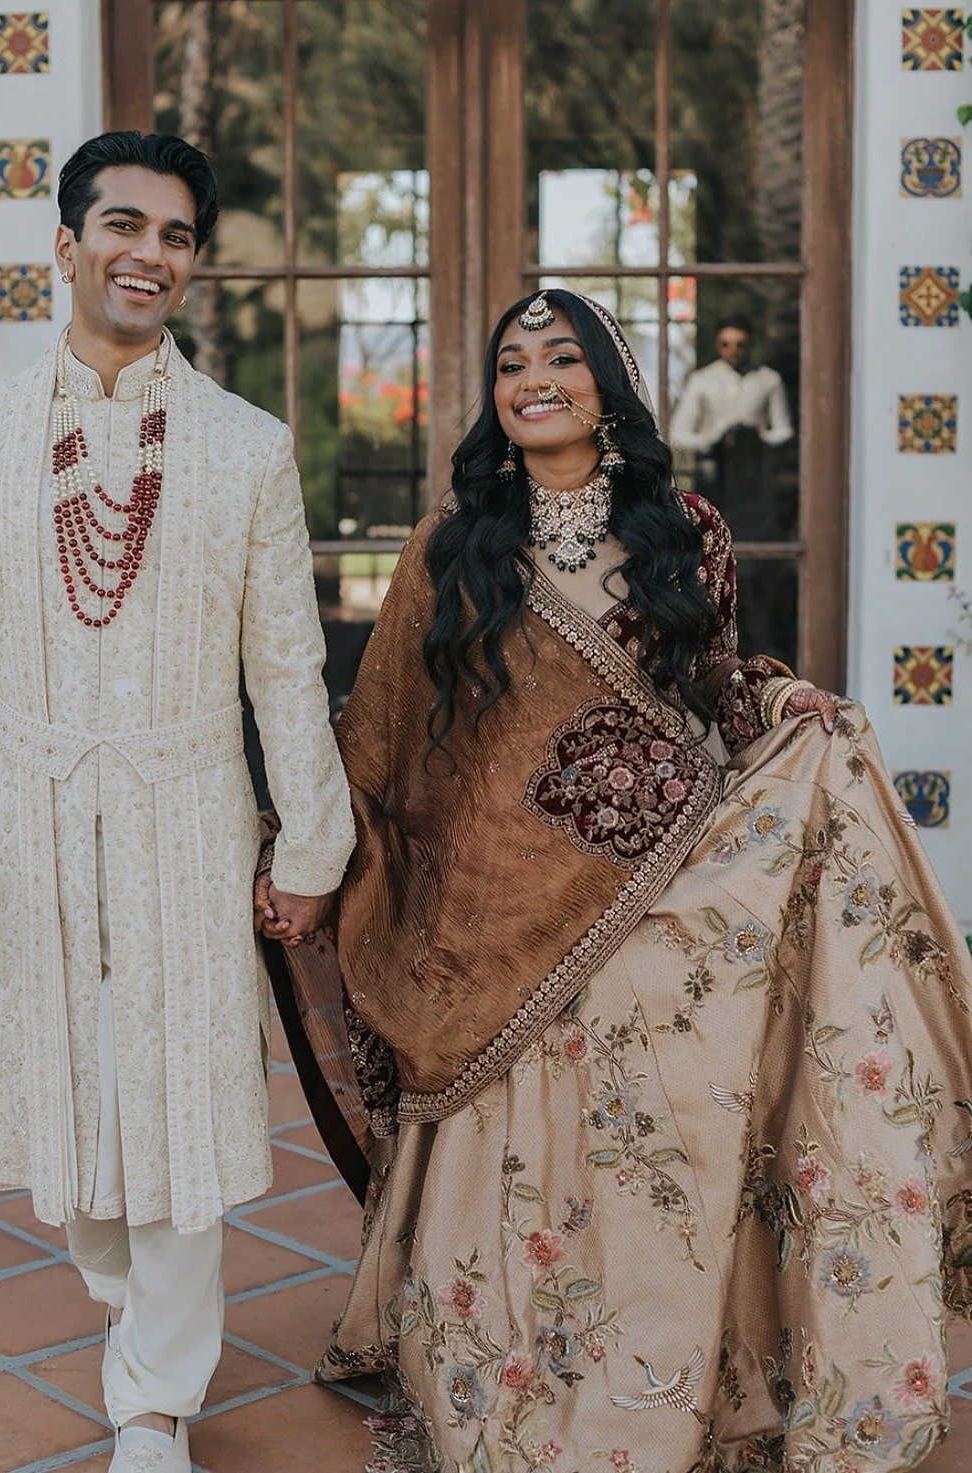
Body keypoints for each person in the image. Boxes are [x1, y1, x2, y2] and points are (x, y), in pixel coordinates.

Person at [278, 290, 972, 1471]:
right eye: (512, 363)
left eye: (564, 357)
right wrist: (309, 859)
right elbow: (387, 730)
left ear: (612, 383)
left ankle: (682, 1361)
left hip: (673, 873)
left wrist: (779, 697)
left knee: (678, 1101)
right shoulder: (457, 542)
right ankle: (540, 1360)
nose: (535, 378)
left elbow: (708, 683)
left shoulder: (679, 526)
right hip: (498, 909)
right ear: (493, 395)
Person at [0, 131, 354, 1472]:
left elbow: (285, 660)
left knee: (181, 1095)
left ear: (192, 265)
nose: (148, 253)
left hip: (188, 811)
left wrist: (310, 841)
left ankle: (153, 1398)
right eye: (124, 225)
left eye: (176, 237)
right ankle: (127, 1284)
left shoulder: (246, 449)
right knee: (67, 1109)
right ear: (68, 242)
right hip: (31, 812)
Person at [670, 316, 794, 546]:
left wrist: (758, 437)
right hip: (715, 476)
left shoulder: (769, 380)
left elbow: (784, 429)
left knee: (753, 542)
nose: (733, 350)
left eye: (740, 344)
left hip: (755, 477)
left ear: (750, 344)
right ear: (717, 345)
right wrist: (712, 438)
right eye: (725, 344)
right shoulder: (702, 380)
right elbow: (679, 432)